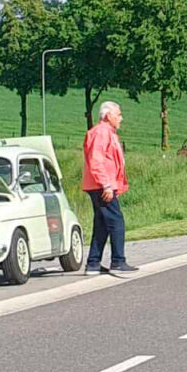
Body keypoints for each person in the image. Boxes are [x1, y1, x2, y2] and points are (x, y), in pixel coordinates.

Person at [82, 101, 138, 274]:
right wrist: (106, 185)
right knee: (116, 221)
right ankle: (118, 261)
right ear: (108, 116)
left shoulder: (108, 133)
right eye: (118, 114)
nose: (121, 118)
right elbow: (96, 160)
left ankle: (93, 263)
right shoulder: (101, 132)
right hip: (101, 185)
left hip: (102, 184)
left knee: (102, 223)